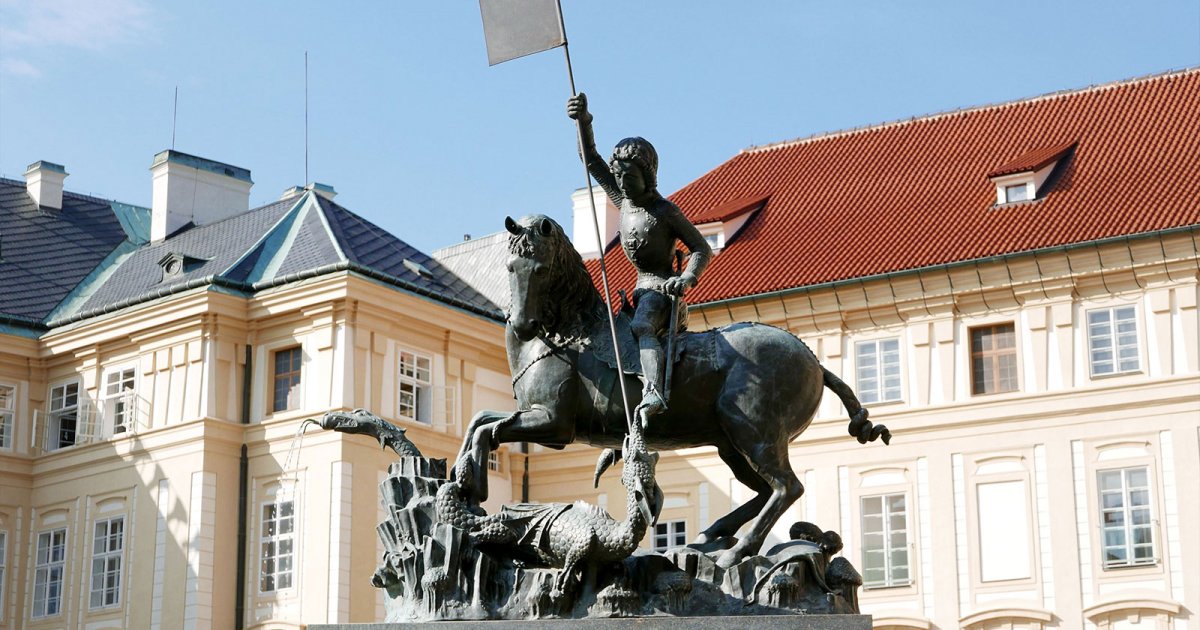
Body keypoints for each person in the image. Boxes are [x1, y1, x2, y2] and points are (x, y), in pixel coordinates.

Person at [567, 93, 712, 425]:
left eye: (629, 178)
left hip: (662, 293)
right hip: (638, 292)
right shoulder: (623, 200)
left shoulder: (664, 211)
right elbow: (590, 160)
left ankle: (655, 394)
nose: (622, 185)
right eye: (619, 178)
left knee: (643, 326)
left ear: (647, 176)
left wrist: (688, 277)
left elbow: (701, 247)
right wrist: (583, 121)